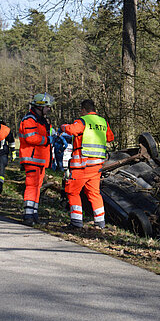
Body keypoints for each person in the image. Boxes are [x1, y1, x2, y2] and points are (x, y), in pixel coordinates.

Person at [59, 99, 114, 229]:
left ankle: (76, 222)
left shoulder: (82, 121)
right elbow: (110, 137)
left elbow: (71, 130)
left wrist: (63, 127)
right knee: (94, 193)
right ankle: (100, 223)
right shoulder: (103, 122)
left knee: (72, 191)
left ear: (83, 109)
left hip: (81, 165)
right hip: (97, 166)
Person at [19, 93, 55, 225]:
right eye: (47, 107)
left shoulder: (41, 120)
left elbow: (46, 131)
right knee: (31, 186)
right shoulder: (29, 120)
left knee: (36, 187)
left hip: (40, 160)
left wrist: (54, 134)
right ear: (40, 107)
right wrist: (47, 139)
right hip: (32, 159)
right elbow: (31, 137)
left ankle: (33, 214)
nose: (49, 109)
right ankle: (28, 215)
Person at [0, 119, 16, 194]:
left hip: (2, 154)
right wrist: (13, 152)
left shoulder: (5, 130)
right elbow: (11, 141)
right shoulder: (6, 130)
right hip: (3, 154)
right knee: (1, 171)